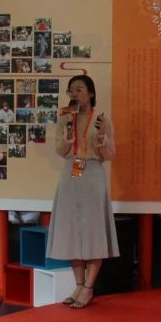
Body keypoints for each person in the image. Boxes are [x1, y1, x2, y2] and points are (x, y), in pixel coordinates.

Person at [47, 75, 118, 309]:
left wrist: (101, 136)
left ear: (91, 93)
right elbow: (59, 150)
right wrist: (68, 139)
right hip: (71, 172)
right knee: (71, 230)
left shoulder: (102, 118)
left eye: (79, 89)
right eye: (71, 90)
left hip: (93, 174)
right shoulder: (65, 116)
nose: (74, 94)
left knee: (93, 231)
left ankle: (88, 287)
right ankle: (78, 285)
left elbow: (109, 154)